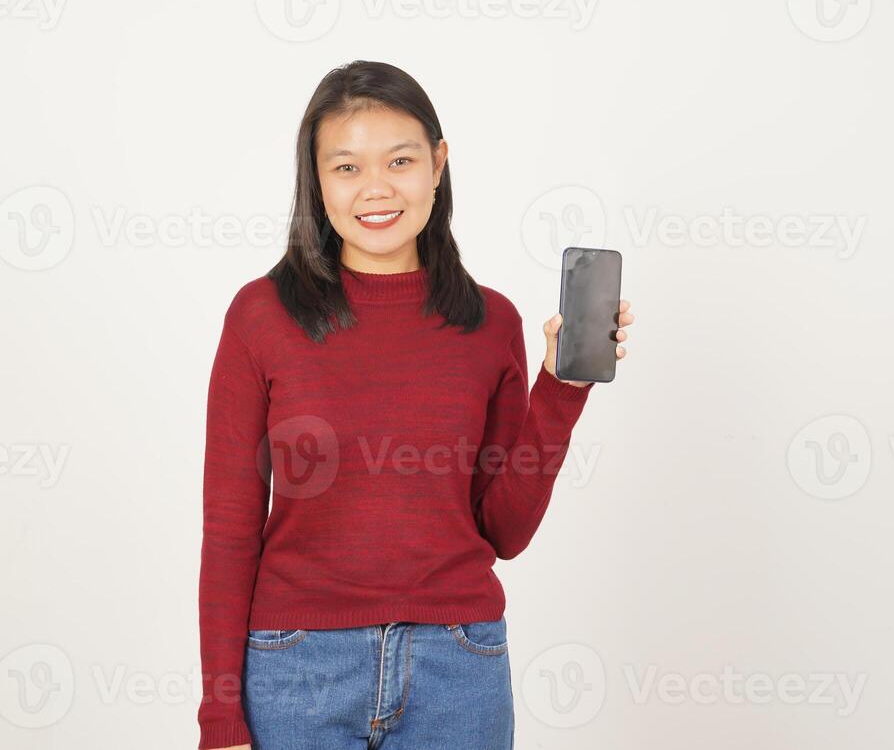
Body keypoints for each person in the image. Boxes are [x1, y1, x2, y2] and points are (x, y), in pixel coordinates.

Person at [196, 60, 633, 750]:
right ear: (315, 179)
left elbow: (504, 531)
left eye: (400, 160)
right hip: (297, 668)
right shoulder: (262, 317)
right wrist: (219, 715)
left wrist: (562, 390)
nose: (375, 188)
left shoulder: (489, 324)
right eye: (345, 168)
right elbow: (228, 531)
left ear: (438, 164)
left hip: (458, 666)